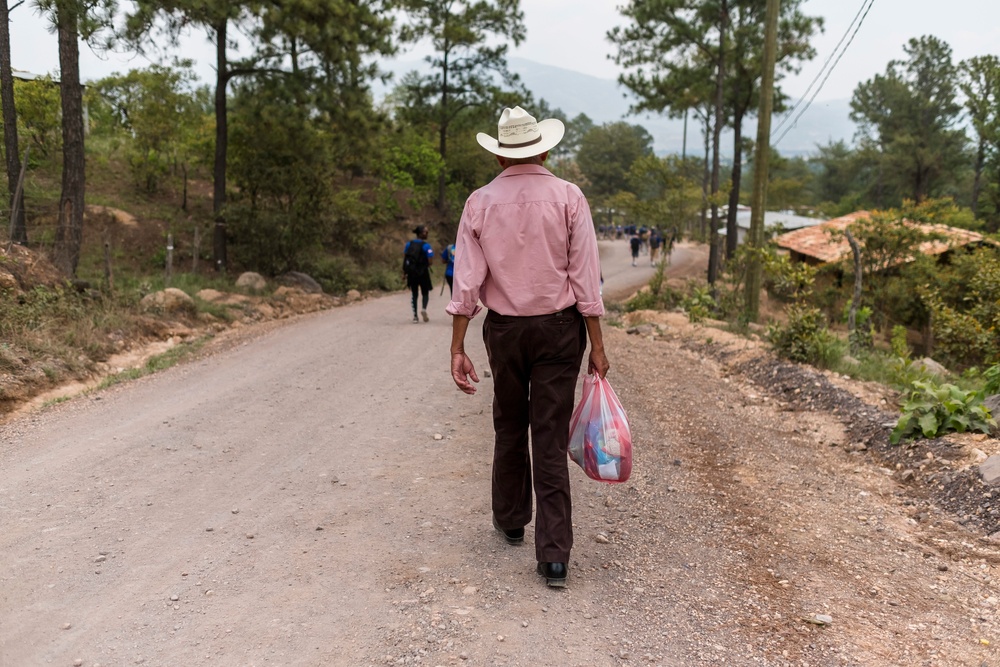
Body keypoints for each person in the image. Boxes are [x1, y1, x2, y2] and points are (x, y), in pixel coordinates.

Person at [447, 106, 610, 589]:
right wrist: (597, 346)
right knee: (550, 434)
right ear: (544, 148)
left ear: (499, 157)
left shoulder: (479, 202)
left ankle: (512, 519)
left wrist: (457, 347)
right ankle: (554, 555)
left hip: (505, 331)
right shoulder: (569, 197)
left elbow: (466, 283)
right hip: (561, 331)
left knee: (510, 421)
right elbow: (585, 280)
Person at [403, 225, 434, 322]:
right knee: (425, 292)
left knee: (414, 294)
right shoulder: (426, 246)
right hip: (423, 272)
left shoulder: (409, 244)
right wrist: (427, 264)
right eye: (425, 232)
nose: (427, 234)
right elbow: (430, 260)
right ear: (420, 233)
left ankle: (415, 316)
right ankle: (424, 309)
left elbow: (405, 259)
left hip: (412, 273)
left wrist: (404, 272)